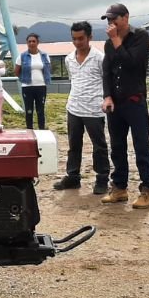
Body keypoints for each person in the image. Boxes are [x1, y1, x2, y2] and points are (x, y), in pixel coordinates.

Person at [99, 3, 149, 209]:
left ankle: (146, 191)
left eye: (114, 18)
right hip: (115, 104)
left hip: (135, 101)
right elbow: (107, 72)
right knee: (117, 147)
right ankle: (120, 188)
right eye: (108, 19)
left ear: (126, 18)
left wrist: (116, 40)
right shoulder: (108, 44)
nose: (111, 22)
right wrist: (107, 96)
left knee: (141, 146)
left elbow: (132, 62)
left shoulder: (140, 37)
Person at [54, 22, 109, 194]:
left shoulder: (100, 58)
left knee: (99, 146)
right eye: (74, 39)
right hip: (74, 108)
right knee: (73, 144)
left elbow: (107, 81)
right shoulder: (69, 59)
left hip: (94, 109)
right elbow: (73, 80)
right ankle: (73, 177)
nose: (78, 42)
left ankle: (102, 178)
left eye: (81, 38)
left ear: (90, 37)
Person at [14, 33, 51, 129]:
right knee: (29, 110)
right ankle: (29, 129)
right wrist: (24, 80)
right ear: (27, 43)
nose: (31, 43)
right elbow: (16, 71)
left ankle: (41, 129)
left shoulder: (44, 55)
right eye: (29, 41)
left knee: (40, 110)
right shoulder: (22, 56)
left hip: (41, 86)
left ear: (38, 42)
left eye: (33, 41)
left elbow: (47, 69)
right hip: (27, 87)